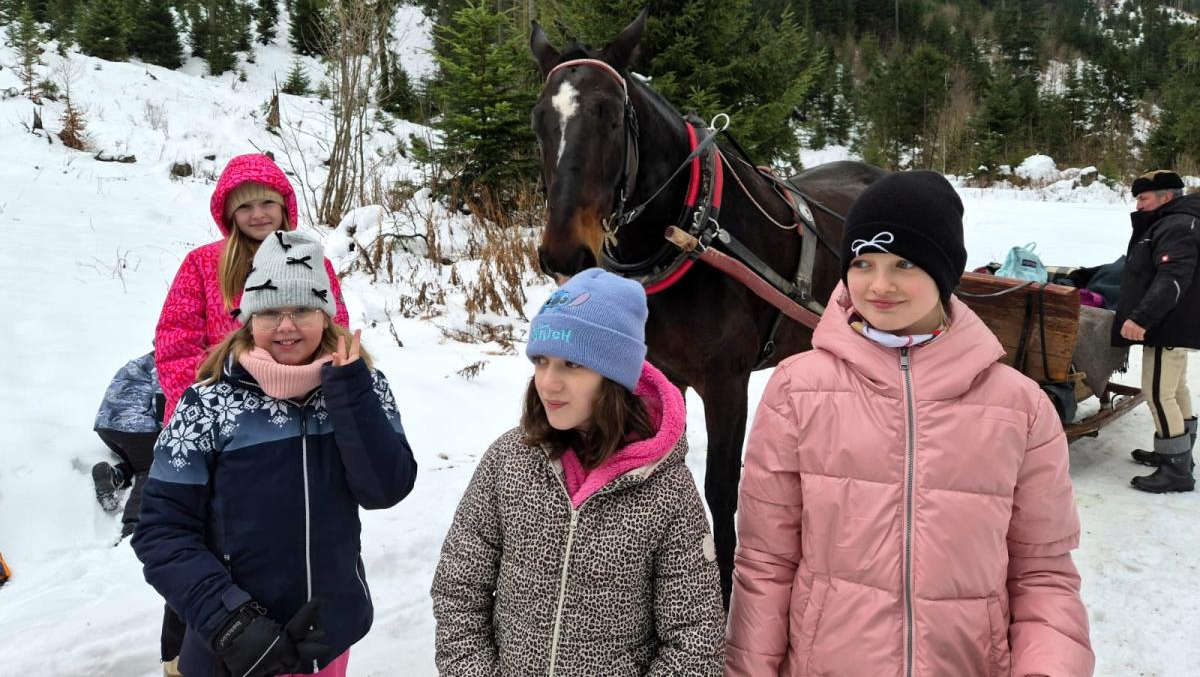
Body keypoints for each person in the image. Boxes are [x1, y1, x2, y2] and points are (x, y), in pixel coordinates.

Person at [725, 171, 1093, 677]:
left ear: (944, 270)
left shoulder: (1020, 408)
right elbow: (767, 564)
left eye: (904, 263)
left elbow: (1042, 574)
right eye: (862, 263)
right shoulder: (796, 391)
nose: (880, 285)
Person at [133, 231, 417, 677]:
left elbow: (385, 490)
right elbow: (161, 531)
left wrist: (349, 396)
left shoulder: (362, 386)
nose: (286, 326)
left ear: (325, 315)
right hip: (234, 652)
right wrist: (230, 625)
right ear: (248, 319)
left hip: (328, 639)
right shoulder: (208, 404)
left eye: (302, 309)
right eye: (269, 312)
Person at [431, 268, 726, 676]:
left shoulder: (665, 489)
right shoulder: (508, 461)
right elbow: (457, 591)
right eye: (541, 361)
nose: (548, 384)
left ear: (613, 375)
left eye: (571, 364)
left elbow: (696, 638)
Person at [155, 152, 350, 425]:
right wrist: (205, 410)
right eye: (245, 206)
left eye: (267, 202)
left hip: (302, 408)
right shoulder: (201, 263)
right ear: (231, 214)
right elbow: (176, 348)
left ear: (283, 206)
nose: (258, 214)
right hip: (222, 411)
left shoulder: (315, 261)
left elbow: (335, 334)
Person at [1113, 169, 1200, 493]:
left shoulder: (1176, 225)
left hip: (1168, 324)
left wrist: (1142, 319)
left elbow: (1172, 278)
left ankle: (1175, 469)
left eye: (1143, 198)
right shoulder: (1175, 221)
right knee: (1175, 389)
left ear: (1166, 197)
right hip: (1176, 322)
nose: (1138, 205)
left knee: (1158, 393)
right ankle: (1177, 452)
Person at [92, 350, 164, 537]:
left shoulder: (143, 361)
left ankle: (115, 475)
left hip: (107, 425)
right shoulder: (166, 362)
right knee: (154, 468)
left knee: (139, 462)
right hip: (135, 426)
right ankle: (133, 524)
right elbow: (162, 405)